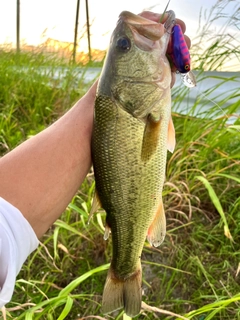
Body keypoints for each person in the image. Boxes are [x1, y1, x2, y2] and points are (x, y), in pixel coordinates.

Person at [0, 11, 191, 309]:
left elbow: (6, 219)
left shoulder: (121, 101)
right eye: (124, 47)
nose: (127, 43)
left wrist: (101, 98)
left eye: (122, 47)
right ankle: (125, 269)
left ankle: (125, 267)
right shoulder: (127, 104)